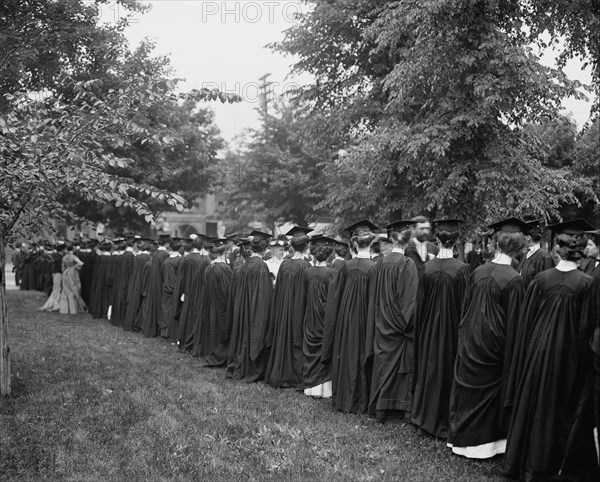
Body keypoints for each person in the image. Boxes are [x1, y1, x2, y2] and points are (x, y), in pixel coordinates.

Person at [505, 218, 599, 482]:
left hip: (537, 353)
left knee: (534, 404)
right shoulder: (587, 284)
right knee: (561, 409)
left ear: (557, 247)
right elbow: (586, 330)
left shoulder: (540, 280)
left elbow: (526, 323)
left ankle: (523, 463)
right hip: (568, 360)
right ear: (580, 249)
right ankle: (553, 464)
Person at [447, 217, 527, 459]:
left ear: (497, 244)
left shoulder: (478, 272)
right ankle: (488, 444)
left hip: (471, 342)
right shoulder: (515, 280)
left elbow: (466, 309)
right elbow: (515, 323)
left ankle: (461, 442)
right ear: (520, 247)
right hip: (496, 347)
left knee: (469, 391)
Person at [411, 219, 471, 438]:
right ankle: (445, 418)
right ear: (455, 242)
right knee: (447, 371)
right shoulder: (463, 269)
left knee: (429, 369)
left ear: (437, 240)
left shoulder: (427, 268)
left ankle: (424, 418)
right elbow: (465, 306)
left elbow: (420, 305)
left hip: (429, 331)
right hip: (452, 332)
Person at [322, 219, 378, 413]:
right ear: (371, 242)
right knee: (362, 355)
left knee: (346, 354)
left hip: (346, 320)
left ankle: (344, 398)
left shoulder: (345, 267)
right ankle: (361, 400)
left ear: (353, 243)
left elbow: (334, 297)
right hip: (365, 320)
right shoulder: (375, 268)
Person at [367, 220, 419, 422]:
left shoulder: (380, 263)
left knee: (383, 365)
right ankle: (402, 409)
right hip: (399, 328)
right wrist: (409, 326)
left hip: (381, 323)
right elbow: (410, 301)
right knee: (401, 368)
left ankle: (380, 409)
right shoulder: (407, 264)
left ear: (391, 239)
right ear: (408, 241)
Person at [265, 226, 313, 388]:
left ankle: (281, 373)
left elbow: (277, 291)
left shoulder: (284, 265)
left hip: (284, 311)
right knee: (297, 340)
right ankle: (295, 376)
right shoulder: (306, 267)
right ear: (306, 247)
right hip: (300, 310)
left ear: (291, 246)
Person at [226, 231, 274, 382]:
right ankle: (251, 369)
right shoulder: (261, 266)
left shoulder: (245, 265)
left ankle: (241, 366)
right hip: (255, 308)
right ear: (265, 249)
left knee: (243, 336)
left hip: (243, 307)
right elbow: (264, 295)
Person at [303, 237, 336, 398]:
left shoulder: (307, 272)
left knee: (311, 348)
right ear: (329, 254)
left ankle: (310, 388)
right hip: (326, 317)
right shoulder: (332, 273)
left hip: (310, 317)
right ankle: (324, 389)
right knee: (324, 349)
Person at [196, 238, 233, 367]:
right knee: (219, 328)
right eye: (228, 251)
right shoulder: (225, 269)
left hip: (209, 304)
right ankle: (219, 355)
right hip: (220, 305)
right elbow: (227, 292)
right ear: (225, 252)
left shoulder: (209, 268)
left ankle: (210, 352)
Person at [516, 219, 554, 287]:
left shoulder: (545, 257)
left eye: (521, 236)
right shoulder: (524, 256)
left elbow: (547, 285)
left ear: (528, 238)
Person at [404, 216, 439, 280]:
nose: (425, 232)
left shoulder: (435, 248)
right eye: (422, 228)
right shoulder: (406, 249)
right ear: (413, 229)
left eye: (427, 228)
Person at [58, 243, 87, 314]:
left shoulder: (64, 257)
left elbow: (62, 267)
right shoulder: (73, 257)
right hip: (73, 273)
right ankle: (74, 309)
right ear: (73, 249)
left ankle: (65, 309)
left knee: (66, 290)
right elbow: (81, 263)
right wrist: (74, 267)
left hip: (66, 273)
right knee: (75, 289)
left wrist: (65, 271)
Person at [39, 243, 66, 312]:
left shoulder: (56, 256)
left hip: (55, 274)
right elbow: (60, 267)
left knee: (56, 288)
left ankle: (55, 303)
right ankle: (55, 304)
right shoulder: (59, 257)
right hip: (58, 274)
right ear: (62, 250)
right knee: (57, 288)